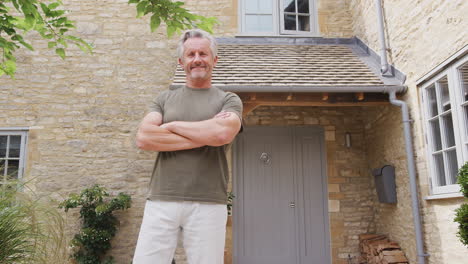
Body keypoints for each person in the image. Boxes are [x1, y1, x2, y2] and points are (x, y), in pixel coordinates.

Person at [133, 29, 243, 264]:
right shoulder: (163, 99)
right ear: (181, 61)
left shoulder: (228, 100)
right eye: (190, 54)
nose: (197, 59)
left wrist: (171, 125)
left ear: (214, 59)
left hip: (209, 200)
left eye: (203, 53)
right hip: (162, 198)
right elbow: (144, 138)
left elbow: (223, 132)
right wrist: (206, 135)